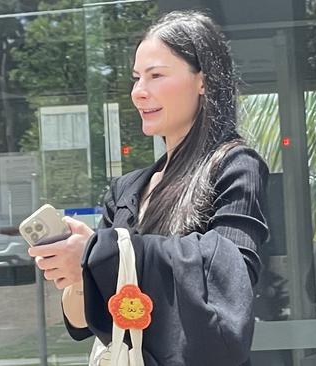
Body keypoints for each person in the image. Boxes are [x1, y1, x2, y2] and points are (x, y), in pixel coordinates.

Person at [28, 10, 269, 366]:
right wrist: (83, 272)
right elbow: (82, 322)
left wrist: (105, 253)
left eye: (156, 76)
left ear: (203, 80)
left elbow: (231, 277)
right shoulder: (126, 190)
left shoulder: (235, 166)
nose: (139, 92)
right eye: (137, 78)